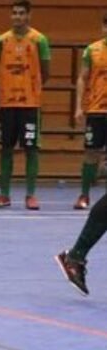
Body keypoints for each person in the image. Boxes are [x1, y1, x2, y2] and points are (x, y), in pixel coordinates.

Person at [0, 0, 50, 210]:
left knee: (31, 149)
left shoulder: (39, 40)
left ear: (29, 15)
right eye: (14, 13)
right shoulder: (2, 41)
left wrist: (31, 86)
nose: (17, 17)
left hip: (30, 104)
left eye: (21, 13)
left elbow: (45, 71)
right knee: (6, 148)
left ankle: (30, 195)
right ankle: (4, 194)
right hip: (7, 104)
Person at [73, 14, 107, 209]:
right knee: (90, 154)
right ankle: (84, 196)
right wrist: (79, 106)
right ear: (103, 27)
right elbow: (82, 78)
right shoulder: (92, 50)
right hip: (96, 110)